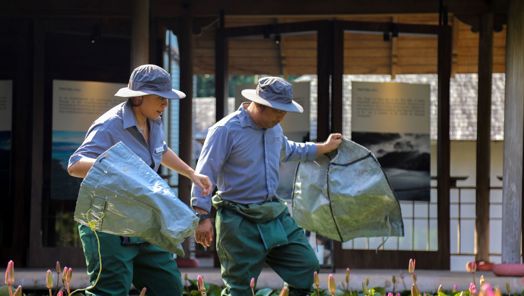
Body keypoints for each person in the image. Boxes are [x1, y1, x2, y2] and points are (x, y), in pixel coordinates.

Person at [68, 64, 211, 296]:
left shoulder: (155, 119)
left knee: (170, 288)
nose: (166, 103)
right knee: (110, 291)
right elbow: (75, 165)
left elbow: (161, 150)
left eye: (167, 98)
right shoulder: (109, 125)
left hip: (144, 221)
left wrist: (191, 173)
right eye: (160, 97)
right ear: (139, 98)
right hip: (107, 224)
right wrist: (119, 167)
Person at [191, 76, 342, 296]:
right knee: (239, 286)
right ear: (260, 105)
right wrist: (202, 217)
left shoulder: (274, 129)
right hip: (237, 219)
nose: (282, 117)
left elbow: (290, 150)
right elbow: (204, 174)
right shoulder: (224, 130)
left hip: (274, 214)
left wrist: (324, 147)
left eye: (285, 111)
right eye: (278, 111)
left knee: (306, 267)